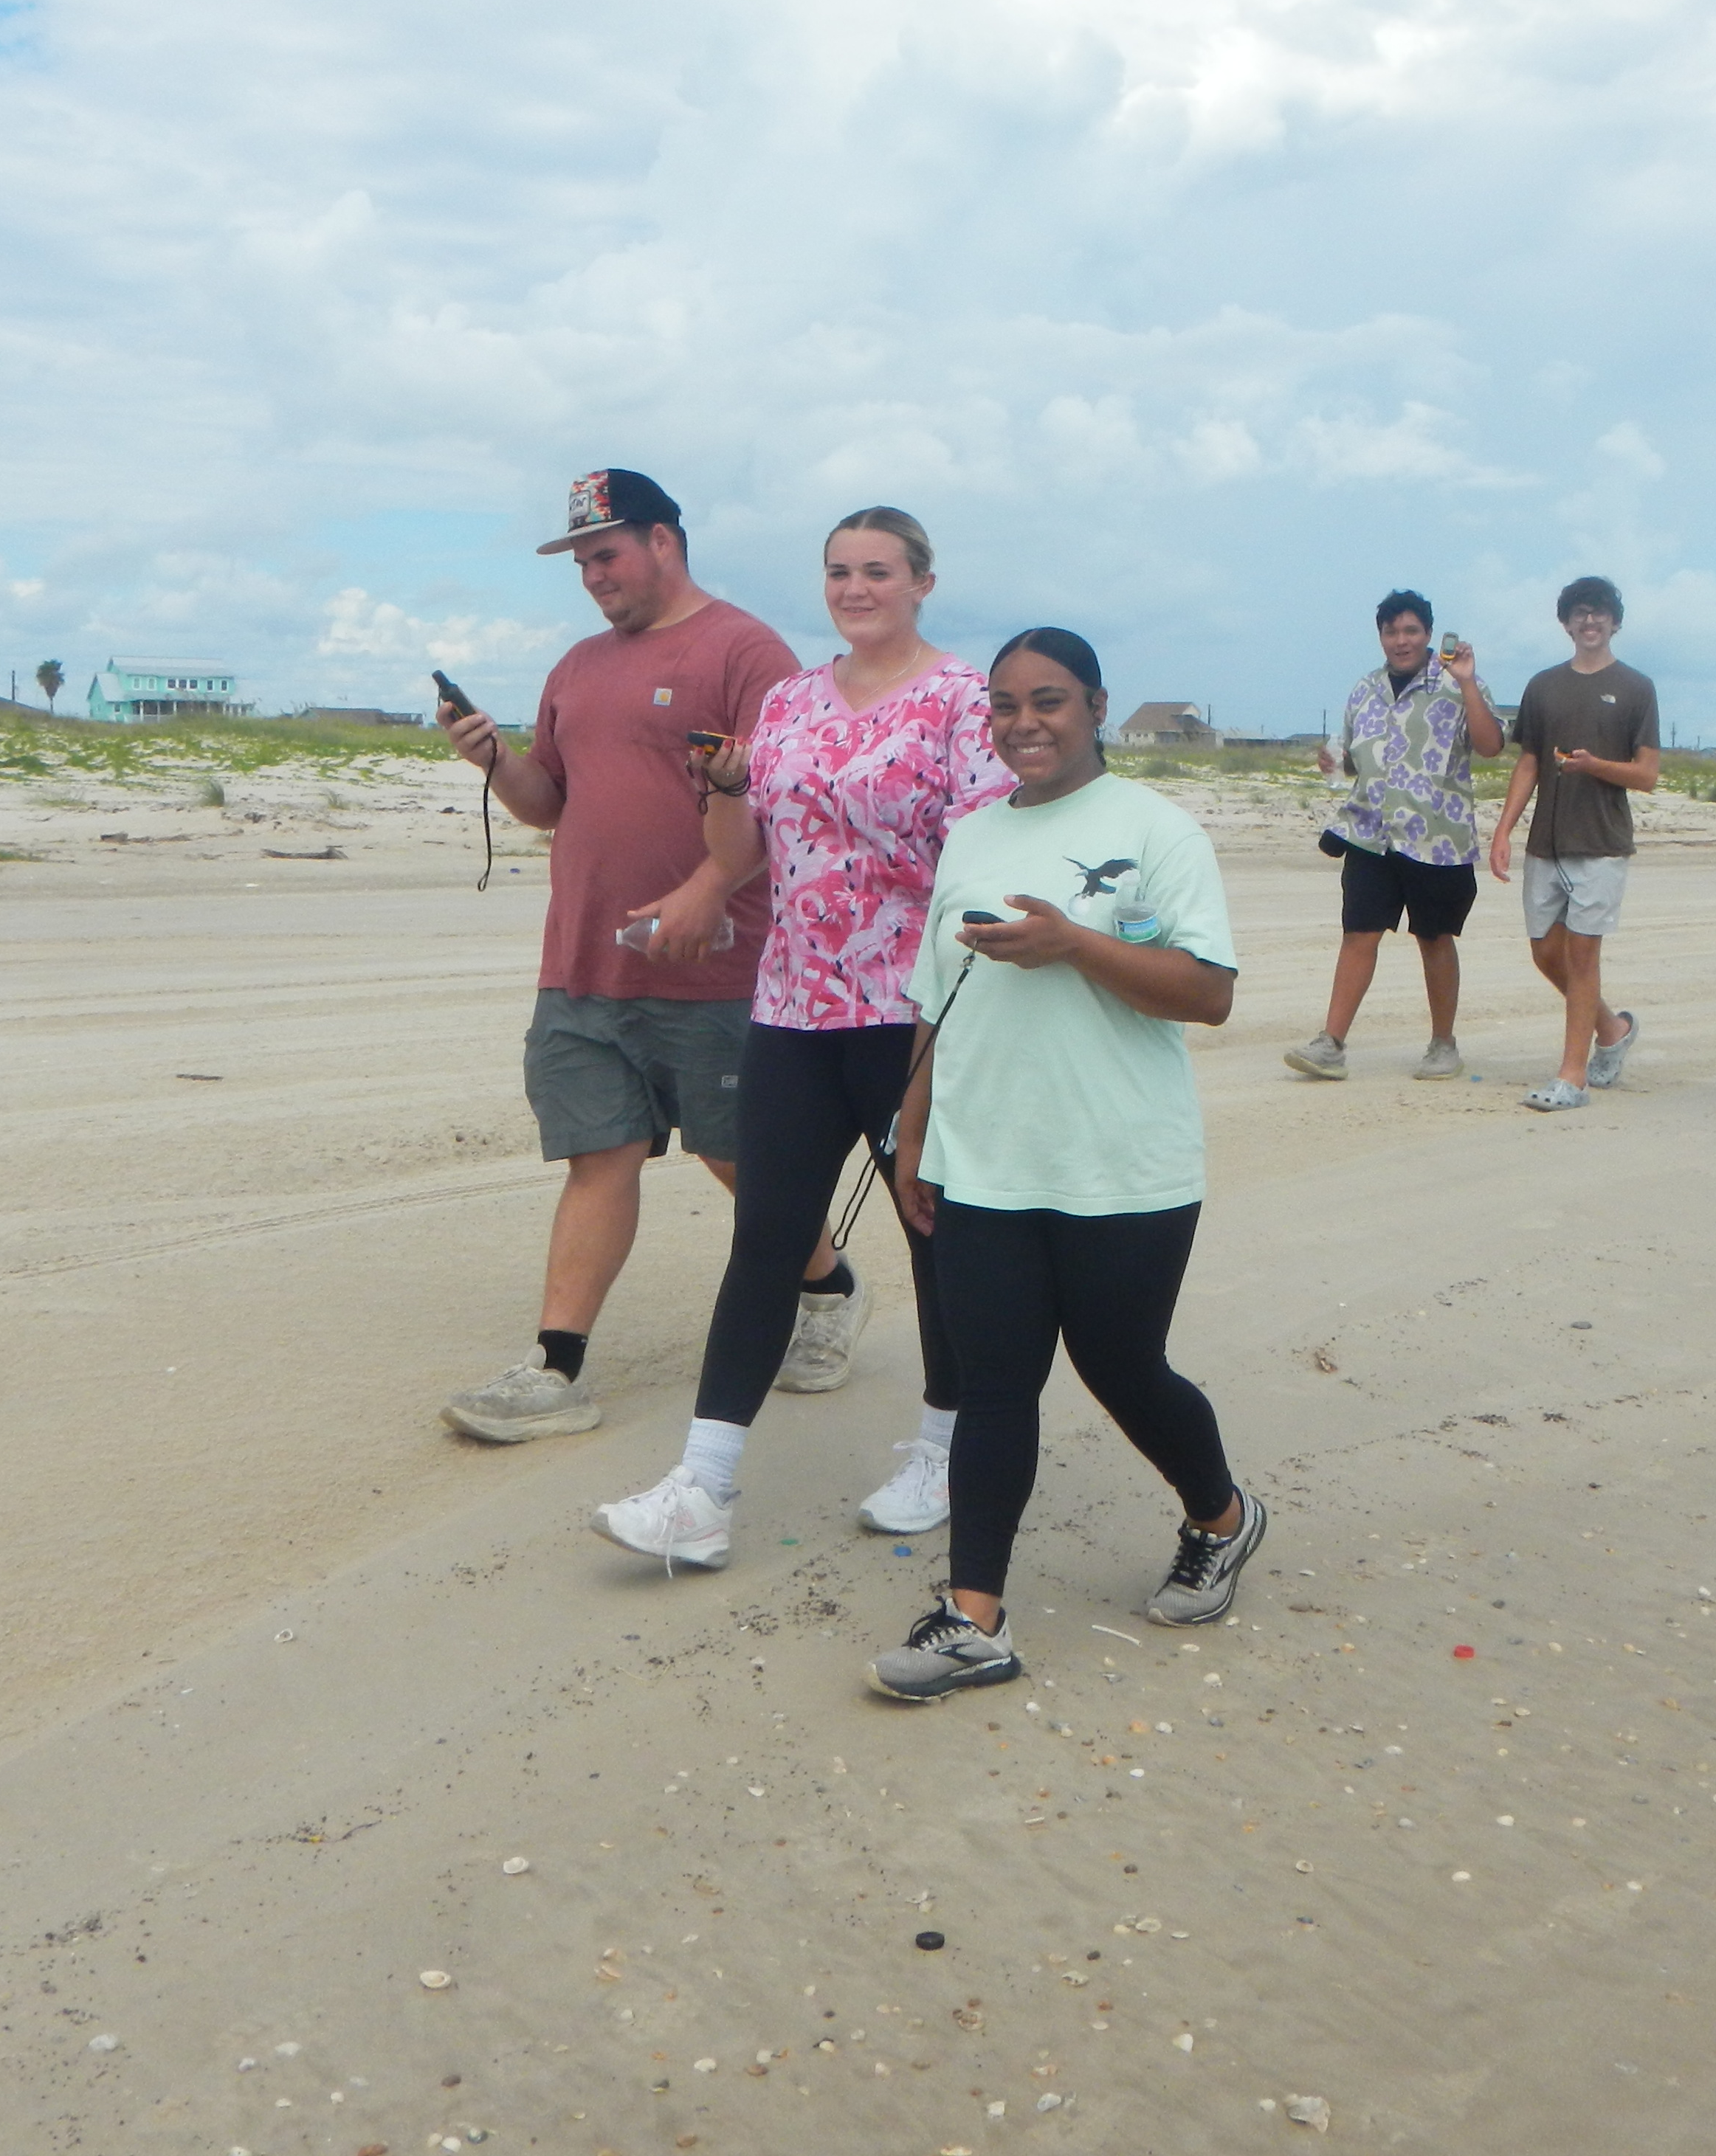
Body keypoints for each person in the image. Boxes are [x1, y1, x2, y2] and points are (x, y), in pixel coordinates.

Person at [587, 506, 1016, 1566]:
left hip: (910, 1011)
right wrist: (726, 789)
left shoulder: (962, 702)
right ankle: (705, 1487)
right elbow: (741, 847)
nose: (855, 588)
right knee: (767, 1240)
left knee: (935, 1235)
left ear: (923, 580)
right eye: (838, 572)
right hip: (791, 1005)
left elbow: (987, 850)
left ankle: (944, 1449)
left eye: (877, 571)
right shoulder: (786, 703)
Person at [865, 627, 1262, 1701]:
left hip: (1121, 1160)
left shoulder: (1157, 829)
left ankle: (1222, 1515)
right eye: (1004, 705)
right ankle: (972, 1619)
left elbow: (1209, 993)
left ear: (1095, 706)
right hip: (984, 1156)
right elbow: (931, 1004)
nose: (1024, 723)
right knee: (996, 1384)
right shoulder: (972, 837)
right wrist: (913, 1136)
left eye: (1048, 701)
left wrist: (1075, 945)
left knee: (1124, 1368)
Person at [433, 468, 801, 1442]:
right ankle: (555, 1368)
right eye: (581, 561)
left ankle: (828, 1285)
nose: (592, 575)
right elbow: (546, 803)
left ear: (664, 542)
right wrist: (492, 760)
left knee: (737, 1156)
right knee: (599, 1154)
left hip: (717, 962)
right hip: (585, 960)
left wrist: (705, 890)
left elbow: (780, 806)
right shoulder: (576, 666)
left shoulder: (746, 649)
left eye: (607, 554)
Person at [1286, 590, 1505, 1084]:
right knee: (1359, 934)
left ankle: (1443, 1044)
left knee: (1434, 938)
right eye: (1391, 631)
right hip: (1370, 833)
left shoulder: (1458, 683)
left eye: (1411, 631)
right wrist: (1332, 763)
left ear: (1428, 634)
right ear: (1380, 635)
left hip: (1437, 836)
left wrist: (1467, 683)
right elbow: (1353, 760)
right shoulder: (1365, 689)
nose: (1401, 641)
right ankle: (1330, 1044)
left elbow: (1490, 746)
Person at [1490, 576, 1661, 1112]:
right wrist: (1503, 830)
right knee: (1547, 954)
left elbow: (1647, 774)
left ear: (1615, 622)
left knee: (1583, 955)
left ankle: (1573, 1076)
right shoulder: (1542, 686)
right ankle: (1611, 1028)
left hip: (1603, 843)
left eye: (1601, 613)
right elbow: (1529, 761)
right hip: (1548, 842)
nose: (1591, 622)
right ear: (1566, 623)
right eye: (1581, 613)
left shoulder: (1637, 687)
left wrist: (1595, 767)